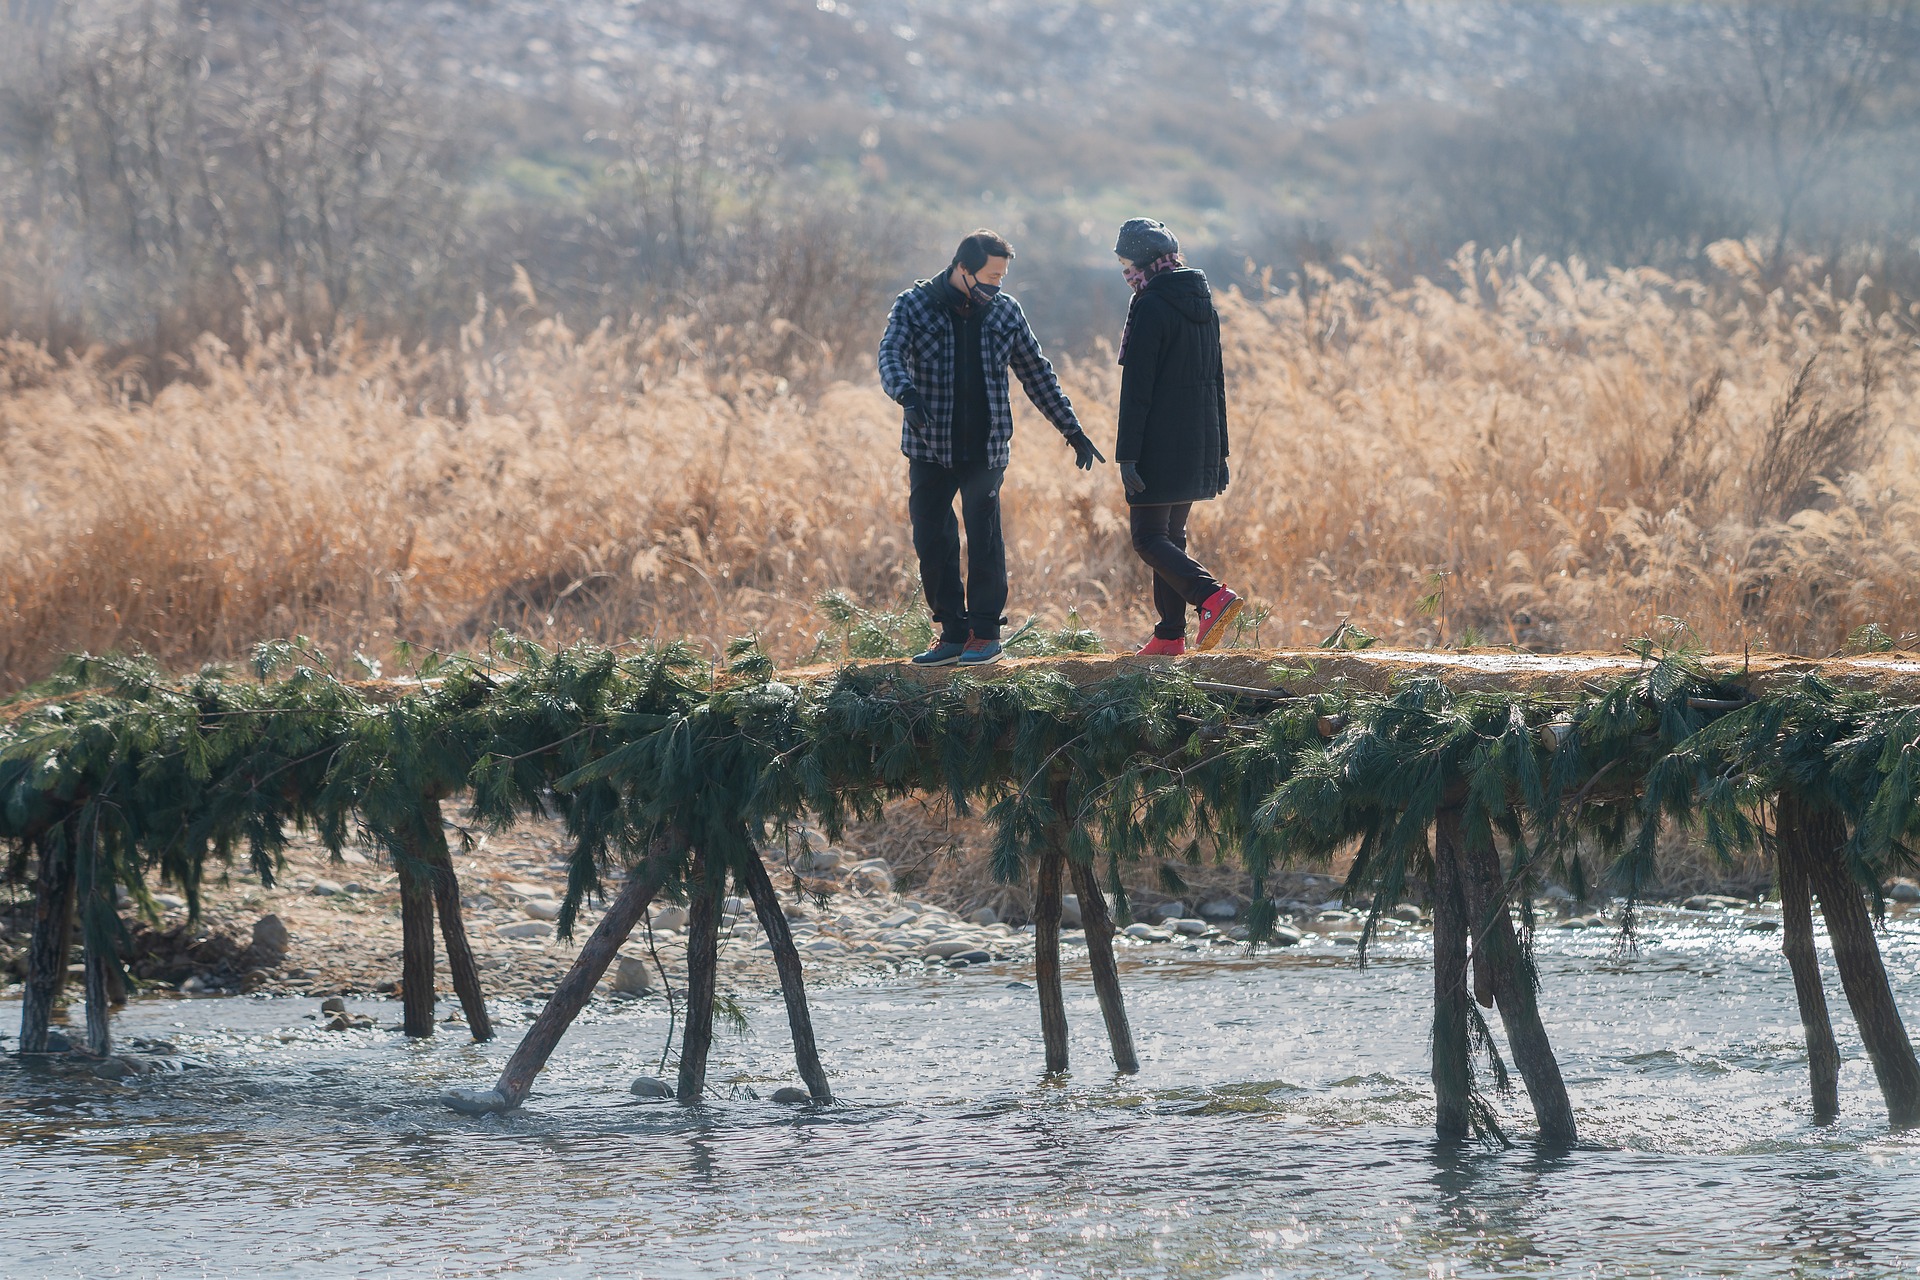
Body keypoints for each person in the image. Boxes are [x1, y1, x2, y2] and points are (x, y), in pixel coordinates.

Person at [878, 229, 1105, 666]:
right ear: (962, 269)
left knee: (984, 539)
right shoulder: (914, 305)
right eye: (989, 276)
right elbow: (890, 354)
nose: (996, 285)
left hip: (986, 448)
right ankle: (951, 633)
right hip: (929, 446)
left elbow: (1037, 374)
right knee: (932, 539)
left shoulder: (1004, 312)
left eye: (1002, 276)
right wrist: (905, 394)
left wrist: (1071, 430)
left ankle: (984, 634)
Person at [1110, 218, 1241, 655]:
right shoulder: (1203, 306)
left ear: (1147, 263)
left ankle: (1210, 597)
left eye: (1129, 264)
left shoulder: (1150, 307)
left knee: (1148, 538)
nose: (1126, 273)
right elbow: (1217, 383)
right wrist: (1218, 451)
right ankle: (1169, 636)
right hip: (1197, 442)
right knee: (1171, 537)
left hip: (1158, 444)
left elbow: (1138, 390)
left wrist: (1127, 455)